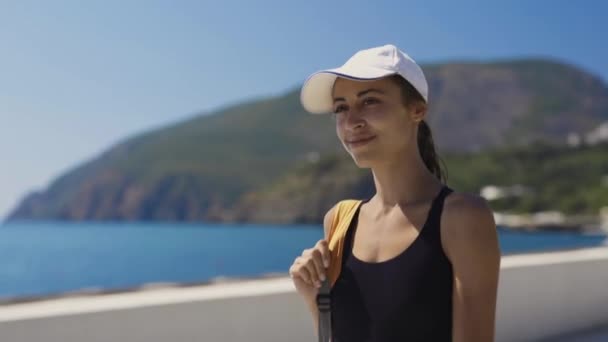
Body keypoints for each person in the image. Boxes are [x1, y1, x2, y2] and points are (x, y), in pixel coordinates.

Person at [288, 44, 501, 342]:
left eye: (370, 101)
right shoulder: (339, 220)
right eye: (341, 108)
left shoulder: (462, 218)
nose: (351, 122)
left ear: (417, 110)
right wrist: (315, 299)